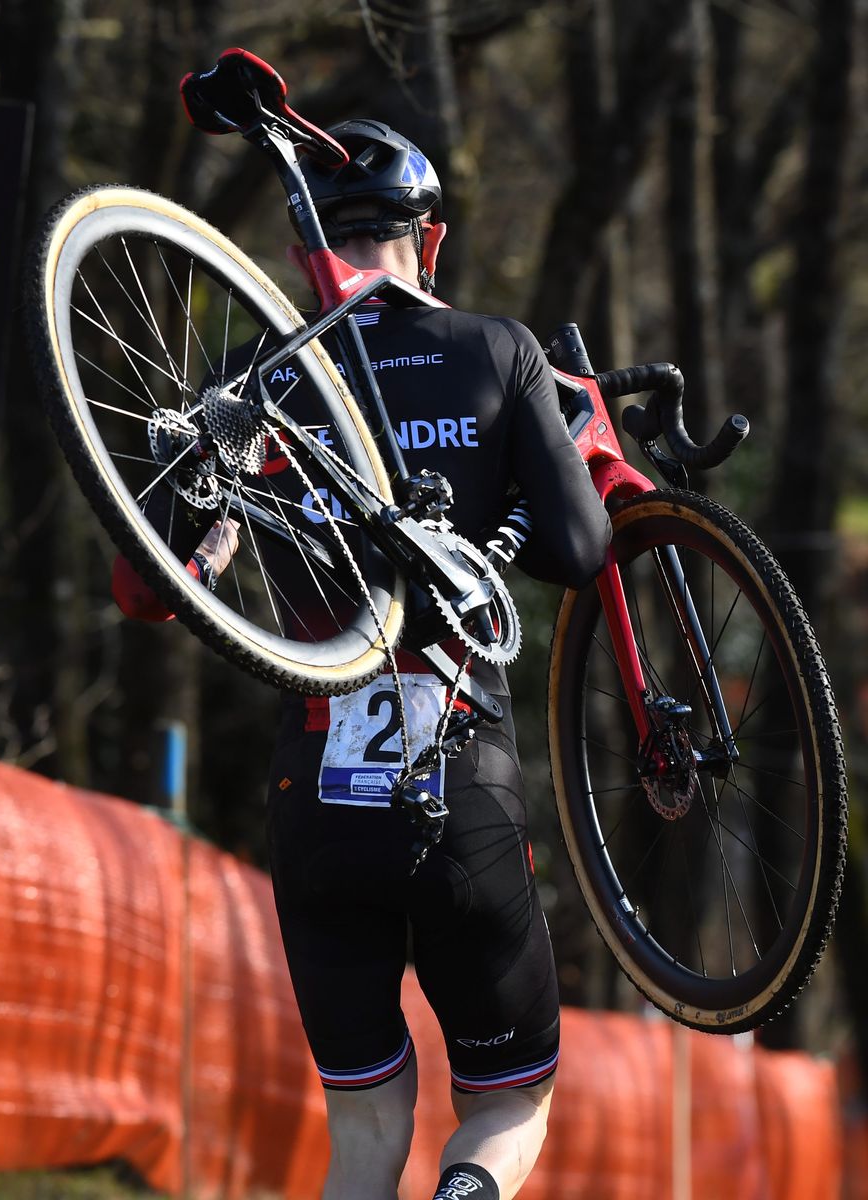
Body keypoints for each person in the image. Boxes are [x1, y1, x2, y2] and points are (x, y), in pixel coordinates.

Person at [114, 119, 611, 1200]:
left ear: (307, 252)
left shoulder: (264, 371)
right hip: (463, 786)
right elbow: (580, 551)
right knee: (510, 1101)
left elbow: (138, 587)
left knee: (365, 1131)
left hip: (317, 797)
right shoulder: (496, 350)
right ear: (429, 243)